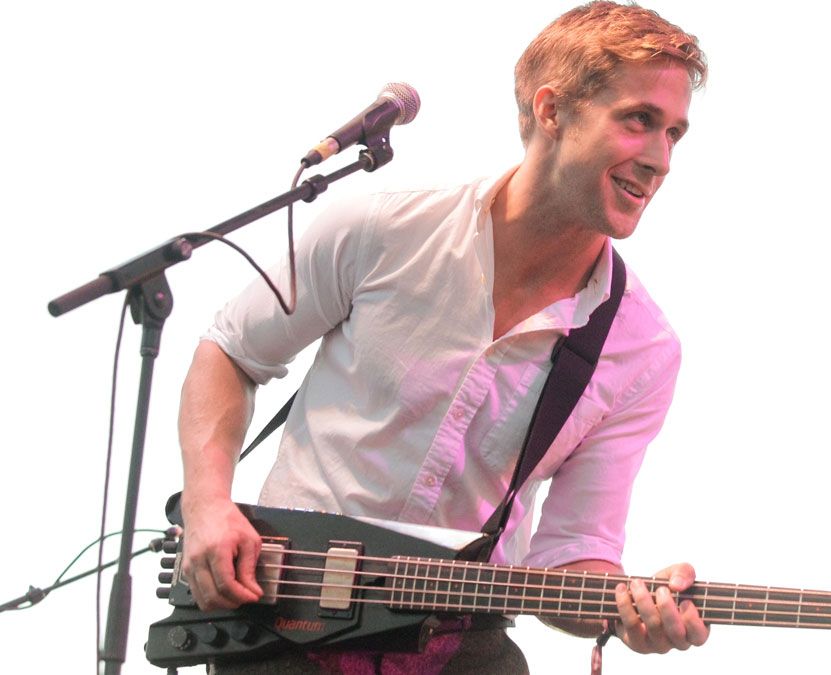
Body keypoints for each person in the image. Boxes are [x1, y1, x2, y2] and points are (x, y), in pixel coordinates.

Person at [177, 2, 708, 671]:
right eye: (639, 121)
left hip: (457, 640)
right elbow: (229, 351)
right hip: (282, 618)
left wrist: (632, 612)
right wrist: (207, 504)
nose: (659, 158)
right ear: (551, 111)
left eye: (674, 134)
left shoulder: (643, 349)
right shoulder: (382, 227)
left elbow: (573, 555)